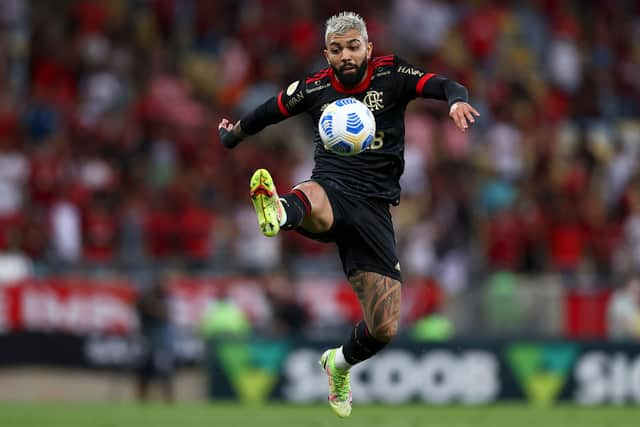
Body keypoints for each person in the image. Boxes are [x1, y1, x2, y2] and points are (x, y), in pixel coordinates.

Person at [218, 11, 479, 417]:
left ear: (368, 48)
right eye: (337, 50)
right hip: (332, 187)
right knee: (313, 194)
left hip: (375, 208)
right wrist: (234, 134)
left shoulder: (392, 75)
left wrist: (457, 101)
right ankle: (279, 210)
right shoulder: (316, 86)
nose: (346, 55)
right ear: (327, 54)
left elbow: (444, 84)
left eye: (353, 46)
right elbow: (270, 110)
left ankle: (337, 363)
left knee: (384, 328)